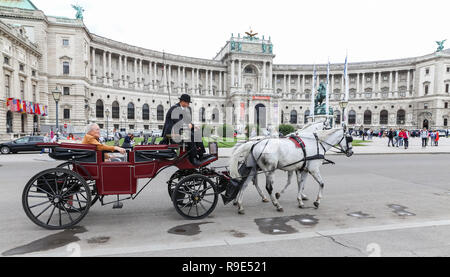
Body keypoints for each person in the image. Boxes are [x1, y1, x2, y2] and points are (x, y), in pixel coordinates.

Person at [161, 94, 209, 166]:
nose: (188, 104)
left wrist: (193, 126)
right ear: (182, 102)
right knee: (190, 135)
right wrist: (189, 126)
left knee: (197, 133)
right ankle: (193, 158)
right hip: (171, 133)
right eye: (187, 103)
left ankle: (201, 154)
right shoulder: (175, 109)